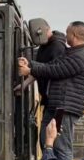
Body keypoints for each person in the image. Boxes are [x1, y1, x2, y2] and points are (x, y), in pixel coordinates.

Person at [18, 20, 84, 160]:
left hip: (65, 108)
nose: (65, 35)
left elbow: (56, 70)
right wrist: (30, 64)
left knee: (61, 147)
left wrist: (30, 70)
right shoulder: (71, 52)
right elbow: (52, 65)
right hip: (56, 105)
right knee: (45, 139)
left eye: (67, 32)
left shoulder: (81, 56)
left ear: (74, 34)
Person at [28, 19, 67, 153]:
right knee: (44, 139)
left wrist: (30, 68)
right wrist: (24, 84)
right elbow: (38, 71)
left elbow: (52, 70)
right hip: (49, 101)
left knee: (55, 143)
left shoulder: (58, 47)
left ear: (42, 30)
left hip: (57, 101)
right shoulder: (43, 47)